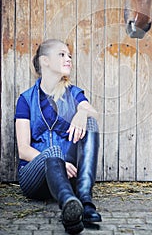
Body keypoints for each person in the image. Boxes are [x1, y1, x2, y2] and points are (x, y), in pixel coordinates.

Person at [14, 38, 102, 234]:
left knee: (90, 122)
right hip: (34, 178)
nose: (68, 59)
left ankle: (83, 201)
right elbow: (23, 150)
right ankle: (68, 203)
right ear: (45, 61)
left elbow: (93, 113)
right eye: (61, 54)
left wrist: (82, 112)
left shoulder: (73, 93)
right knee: (52, 151)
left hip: (69, 176)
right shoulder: (26, 100)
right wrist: (56, 159)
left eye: (69, 55)